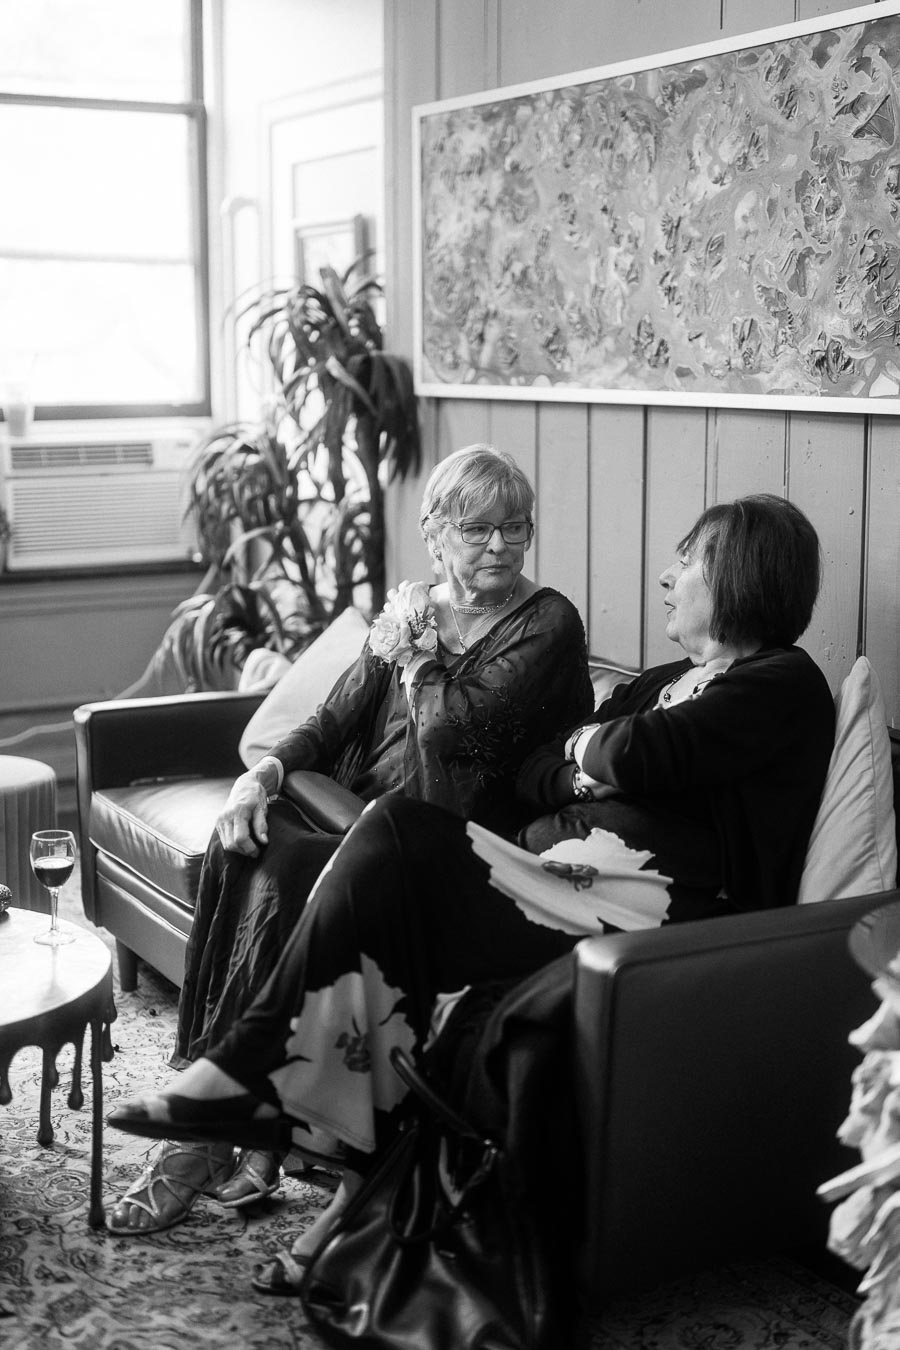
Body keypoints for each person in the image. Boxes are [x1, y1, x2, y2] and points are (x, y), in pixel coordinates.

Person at [108, 492, 837, 1294]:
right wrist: (588, 760)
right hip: (551, 879)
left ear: (738, 577)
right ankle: (318, 1164)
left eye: (688, 560)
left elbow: (640, 753)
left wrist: (591, 755)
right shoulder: (669, 680)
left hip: (643, 915)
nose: (667, 575)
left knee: (391, 840)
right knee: (377, 853)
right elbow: (541, 768)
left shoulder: (783, 684)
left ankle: (248, 1078)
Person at [107, 442, 593, 1236]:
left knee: (293, 863)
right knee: (249, 844)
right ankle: (223, 1108)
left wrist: (416, 649)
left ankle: (219, 1128)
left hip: (452, 850)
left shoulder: (546, 623)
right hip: (361, 822)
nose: (501, 546)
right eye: (478, 529)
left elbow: (447, 742)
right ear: (434, 532)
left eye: (517, 527)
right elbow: (329, 722)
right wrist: (257, 778)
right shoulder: (413, 612)